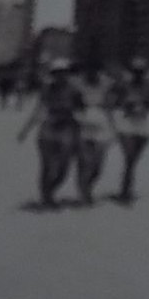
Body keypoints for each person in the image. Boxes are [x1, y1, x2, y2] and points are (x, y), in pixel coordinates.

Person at [17, 60, 82, 208]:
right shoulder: (47, 90)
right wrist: (25, 130)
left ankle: (50, 190)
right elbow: (38, 111)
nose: (60, 76)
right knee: (46, 166)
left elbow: (80, 111)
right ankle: (46, 196)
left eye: (63, 73)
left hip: (67, 129)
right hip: (49, 129)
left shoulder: (74, 91)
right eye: (57, 73)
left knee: (64, 168)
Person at [106, 59, 149, 203]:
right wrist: (126, 104)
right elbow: (112, 99)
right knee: (129, 156)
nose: (138, 74)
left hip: (143, 124)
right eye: (136, 71)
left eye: (141, 72)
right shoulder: (123, 85)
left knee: (133, 160)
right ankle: (126, 190)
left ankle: (126, 188)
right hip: (126, 123)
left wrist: (145, 104)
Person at [73, 65, 111, 205]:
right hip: (82, 126)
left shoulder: (105, 85)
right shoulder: (78, 86)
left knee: (98, 166)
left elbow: (110, 106)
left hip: (102, 126)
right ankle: (83, 193)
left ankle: (88, 187)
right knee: (85, 163)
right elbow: (73, 104)